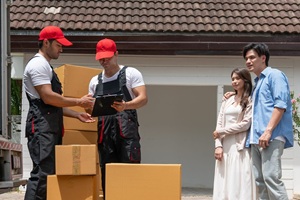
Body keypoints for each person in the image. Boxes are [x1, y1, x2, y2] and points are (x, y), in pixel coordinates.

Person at [23, 25, 95, 200]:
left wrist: (76, 114)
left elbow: (52, 105)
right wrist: (79, 101)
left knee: (47, 174)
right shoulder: (38, 64)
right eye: (59, 45)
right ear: (46, 42)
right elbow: (48, 98)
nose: (61, 49)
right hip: (41, 128)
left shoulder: (46, 66)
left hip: (48, 126)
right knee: (42, 175)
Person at [86, 38, 148, 199]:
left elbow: (143, 98)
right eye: (101, 58)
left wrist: (126, 106)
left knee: (129, 173)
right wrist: (85, 104)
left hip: (127, 133)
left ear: (116, 54)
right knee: (108, 175)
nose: (104, 61)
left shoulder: (130, 74)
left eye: (107, 57)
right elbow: (90, 107)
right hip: (104, 135)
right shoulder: (95, 81)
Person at [243, 43, 293, 199]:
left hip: (270, 136)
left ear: (263, 58)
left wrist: (268, 131)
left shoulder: (275, 75)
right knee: (260, 181)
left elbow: (280, 105)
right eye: (246, 59)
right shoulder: (258, 83)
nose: (248, 61)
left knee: (271, 178)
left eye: (252, 57)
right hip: (256, 138)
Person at [212, 68, 256, 200]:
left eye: (238, 78)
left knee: (240, 182)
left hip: (240, 147)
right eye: (232, 79)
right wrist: (218, 145)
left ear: (245, 80)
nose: (234, 81)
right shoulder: (227, 100)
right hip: (224, 147)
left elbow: (245, 124)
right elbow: (219, 122)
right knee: (224, 182)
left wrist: (221, 132)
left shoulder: (250, 100)